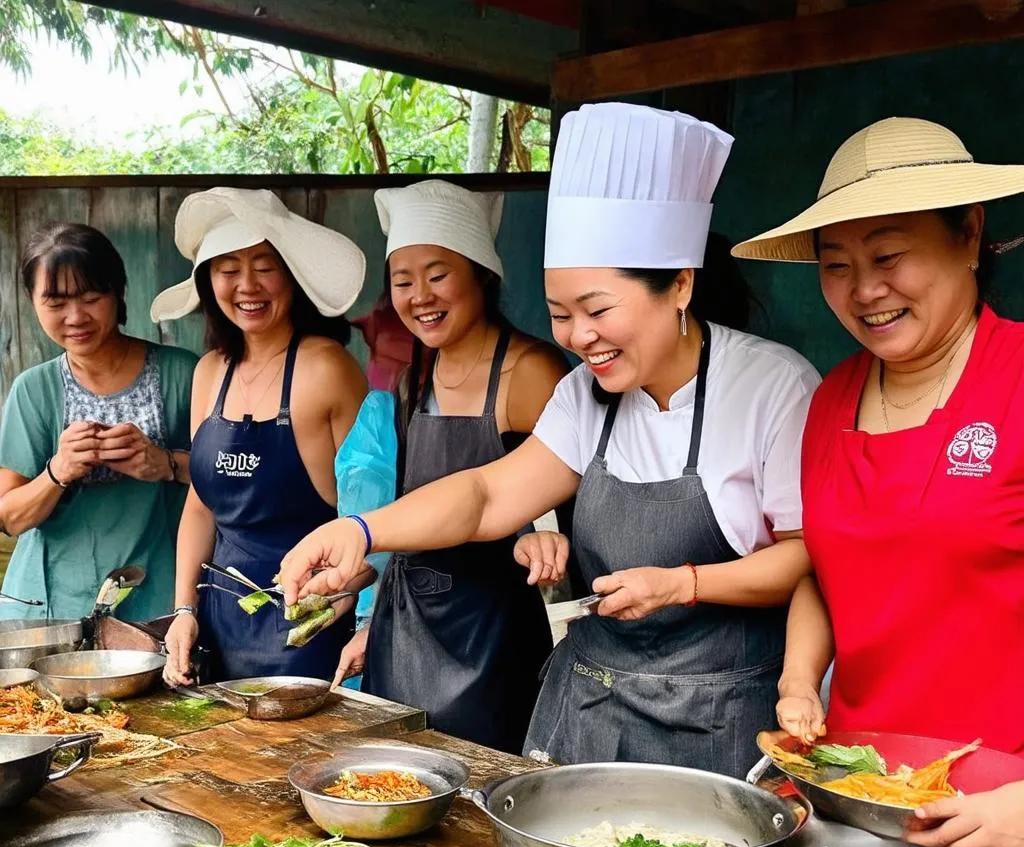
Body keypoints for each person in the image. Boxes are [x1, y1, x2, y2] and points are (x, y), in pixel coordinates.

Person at [280, 104, 820, 775]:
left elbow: (804, 558)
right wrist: (362, 532)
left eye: (597, 310)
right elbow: (486, 494)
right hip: (591, 710)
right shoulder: (585, 394)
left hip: (718, 720)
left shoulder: (772, 387)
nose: (576, 337)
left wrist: (683, 583)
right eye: (561, 314)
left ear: (680, 284)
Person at [734, 117, 1024, 755]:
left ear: (969, 234)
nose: (865, 290)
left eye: (888, 256)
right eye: (836, 265)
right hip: (859, 780)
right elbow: (827, 566)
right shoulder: (831, 399)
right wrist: (799, 680)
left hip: (1003, 801)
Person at [331, 180, 568, 752]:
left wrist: (540, 538)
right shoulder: (414, 378)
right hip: (406, 628)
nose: (420, 296)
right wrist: (369, 618)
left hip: (494, 637)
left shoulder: (530, 370)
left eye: (438, 275)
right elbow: (409, 518)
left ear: (481, 274)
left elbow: (574, 503)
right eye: (403, 281)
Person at [157, 188, 367, 684]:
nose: (247, 285)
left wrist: (356, 602)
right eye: (228, 269)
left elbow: (372, 509)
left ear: (292, 274)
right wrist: (183, 611)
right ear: (209, 282)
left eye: (264, 266)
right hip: (219, 623)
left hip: (311, 623)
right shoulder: (210, 372)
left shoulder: (327, 368)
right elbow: (200, 506)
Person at [0, 223, 195, 620]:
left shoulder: (184, 374)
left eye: (91, 297)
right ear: (31, 301)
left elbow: (235, 482)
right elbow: (10, 516)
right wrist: (58, 471)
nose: (76, 317)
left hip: (161, 602)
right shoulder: (34, 390)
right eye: (55, 303)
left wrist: (166, 463)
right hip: (49, 608)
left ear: (118, 291)